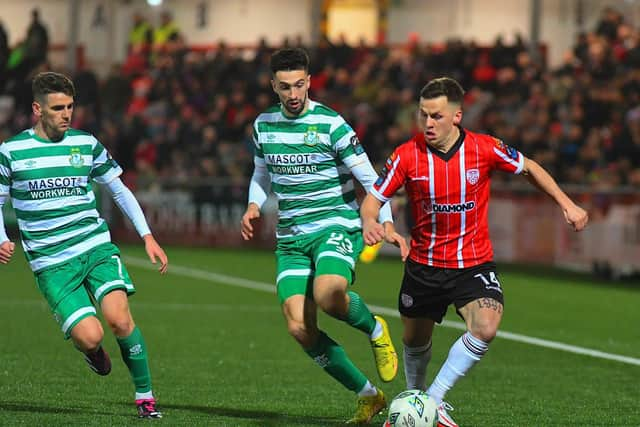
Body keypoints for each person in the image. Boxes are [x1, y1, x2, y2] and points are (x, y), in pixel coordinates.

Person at [361, 77, 589, 427]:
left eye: (436, 116)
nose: (428, 123)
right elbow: (372, 201)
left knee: (485, 326)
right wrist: (370, 223)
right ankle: (413, 405)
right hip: (424, 266)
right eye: (423, 115)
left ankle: (433, 403)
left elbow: (529, 167)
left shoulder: (484, 148)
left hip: (473, 263)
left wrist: (567, 203)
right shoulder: (407, 155)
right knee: (415, 341)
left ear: (457, 116)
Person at [240, 47, 408, 424]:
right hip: (291, 239)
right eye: (285, 87)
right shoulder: (263, 125)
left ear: (310, 81)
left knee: (330, 294)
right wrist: (253, 205)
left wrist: (388, 223)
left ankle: (375, 327)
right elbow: (261, 174)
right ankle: (368, 395)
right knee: (299, 326)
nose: (293, 94)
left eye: (299, 85)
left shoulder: (332, 124)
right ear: (273, 87)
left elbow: (371, 180)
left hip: (335, 224)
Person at [0, 72, 168, 419]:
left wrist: (147, 235)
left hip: (95, 248)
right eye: (58, 107)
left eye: (70, 107)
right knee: (90, 337)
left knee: (120, 319)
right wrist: (2, 237)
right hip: (52, 265)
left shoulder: (86, 144)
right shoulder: (11, 152)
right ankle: (92, 353)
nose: (66, 114)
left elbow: (119, 190)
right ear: (37, 109)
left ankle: (145, 397)